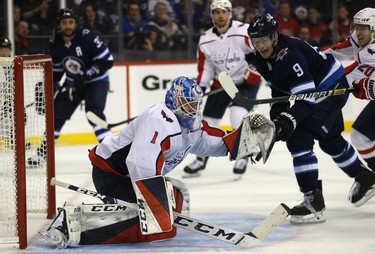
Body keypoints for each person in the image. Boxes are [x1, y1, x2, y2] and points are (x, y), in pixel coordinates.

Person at [39, 76, 275, 248]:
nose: (193, 110)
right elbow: (138, 162)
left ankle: (134, 215)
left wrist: (238, 143)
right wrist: (152, 203)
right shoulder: (159, 119)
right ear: (174, 100)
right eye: (188, 104)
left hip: (134, 176)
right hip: (112, 175)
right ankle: (74, 229)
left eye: (195, 105)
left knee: (176, 198)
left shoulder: (190, 122)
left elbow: (207, 141)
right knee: (156, 229)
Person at [246, 13, 375, 224]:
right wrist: (279, 114)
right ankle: (365, 178)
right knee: (330, 140)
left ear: (275, 36)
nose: (261, 45)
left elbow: (306, 100)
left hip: (328, 87)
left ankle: (313, 201)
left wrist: (285, 124)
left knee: (298, 140)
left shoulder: (289, 56)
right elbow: (280, 88)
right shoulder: (260, 58)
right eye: (256, 41)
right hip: (324, 86)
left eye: (264, 40)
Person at [183, 0, 261, 177]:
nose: (220, 15)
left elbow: (260, 52)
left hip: (244, 83)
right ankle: (201, 158)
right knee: (208, 122)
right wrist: (200, 88)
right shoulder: (206, 40)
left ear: (230, 13)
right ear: (212, 15)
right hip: (222, 84)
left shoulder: (243, 31)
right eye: (216, 12)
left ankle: (243, 154)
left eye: (224, 11)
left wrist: (256, 70)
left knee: (237, 116)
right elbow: (206, 68)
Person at [27, 8, 113, 166]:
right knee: (57, 115)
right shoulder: (55, 41)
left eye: (71, 22)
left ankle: (112, 153)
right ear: (59, 24)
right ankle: (41, 154)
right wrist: (53, 85)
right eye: (64, 22)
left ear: (76, 23)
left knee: (93, 113)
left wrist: (87, 75)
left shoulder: (88, 37)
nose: (67, 25)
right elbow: (58, 69)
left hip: (97, 81)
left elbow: (107, 61)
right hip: (74, 83)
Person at [323, 8, 375, 174]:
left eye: (363, 28)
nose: (358, 32)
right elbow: (334, 53)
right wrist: (308, 59)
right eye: (356, 27)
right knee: (360, 137)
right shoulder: (359, 40)